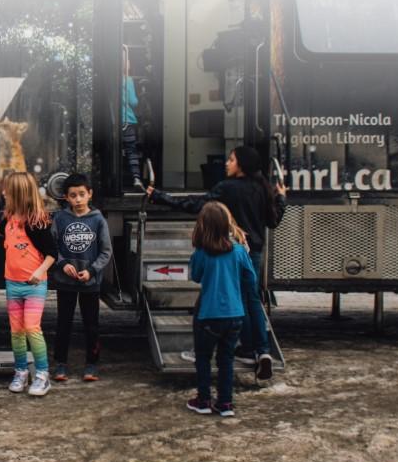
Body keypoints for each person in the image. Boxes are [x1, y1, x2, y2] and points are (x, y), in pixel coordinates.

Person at [147, 145, 286, 380]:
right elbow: (274, 221)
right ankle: (260, 351)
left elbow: (196, 205)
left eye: (231, 160)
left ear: (241, 164)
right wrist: (281, 197)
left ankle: (208, 347)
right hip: (253, 252)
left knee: (215, 296)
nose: (227, 163)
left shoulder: (227, 188)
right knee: (251, 299)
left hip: (229, 250)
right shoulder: (263, 188)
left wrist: (159, 196)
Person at [0, 171, 57, 396]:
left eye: (8, 189)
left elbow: (52, 253)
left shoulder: (36, 221)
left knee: (32, 328)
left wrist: (39, 272)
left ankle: (42, 375)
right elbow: (0, 231)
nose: (4, 192)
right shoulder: (9, 218)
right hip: (13, 284)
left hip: (34, 285)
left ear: (19, 192)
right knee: (16, 331)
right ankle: (20, 372)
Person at [186, 201, 257, 417]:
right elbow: (250, 278)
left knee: (203, 357)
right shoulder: (238, 251)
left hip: (208, 313)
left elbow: (196, 276)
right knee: (226, 359)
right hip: (235, 314)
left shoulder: (201, 253)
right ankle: (225, 403)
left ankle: (204, 399)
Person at [50, 173, 111, 382]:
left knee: (91, 324)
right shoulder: (59, 218)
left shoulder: (98, 219)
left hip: (89, 282)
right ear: (66, 197)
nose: (78, 199)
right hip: (65, 282)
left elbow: (106, 251)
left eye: (82, 194)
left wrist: (92, 270)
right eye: (73, 195)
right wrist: (63, 263)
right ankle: (60, 364)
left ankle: (92, 365)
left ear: (90, 195)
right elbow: (52, 247)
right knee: (63, 323)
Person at [122, 47, 144, 189]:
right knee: (131, 150)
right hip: (127, 121)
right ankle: (136, 178)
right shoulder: (127, 80)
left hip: (113, 122)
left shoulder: (109, 80)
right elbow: (133, 101)